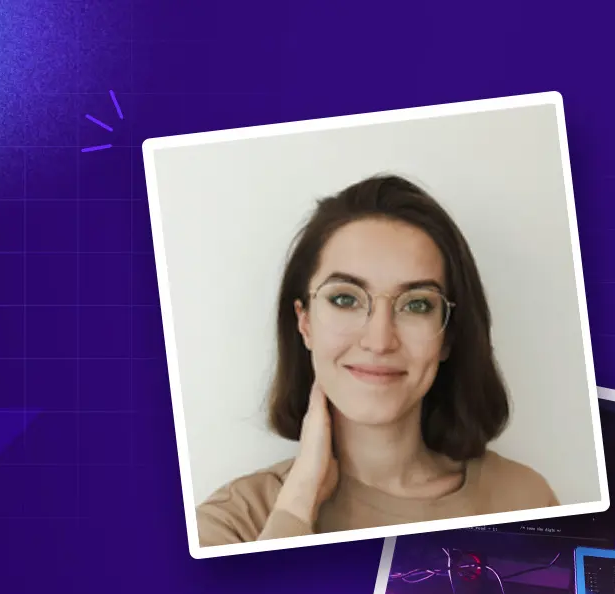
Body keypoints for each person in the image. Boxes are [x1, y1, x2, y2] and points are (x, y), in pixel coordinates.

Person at [196, 174, 558, 547]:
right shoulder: (232, 524)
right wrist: (297, 504)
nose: (380, 341)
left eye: (416, 304)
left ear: (448, 335)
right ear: (304, 323)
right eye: (345, 299)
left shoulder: (526, 502)